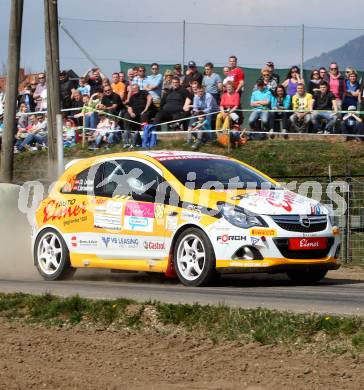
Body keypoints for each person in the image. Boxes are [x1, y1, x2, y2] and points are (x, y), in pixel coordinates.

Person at [123, 84, 155, 148]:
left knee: (144, 116)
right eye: (133, 89)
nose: (135, 90)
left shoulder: (144, 92)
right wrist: (131, 113)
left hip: (145, 111)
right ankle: (127, 139)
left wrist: (146, 109)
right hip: (135, 113)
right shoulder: (132, 97)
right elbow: (129, 107)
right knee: (126, 115)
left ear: (138, 88)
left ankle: (145, 138)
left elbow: (150, 98)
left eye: (136, 88)